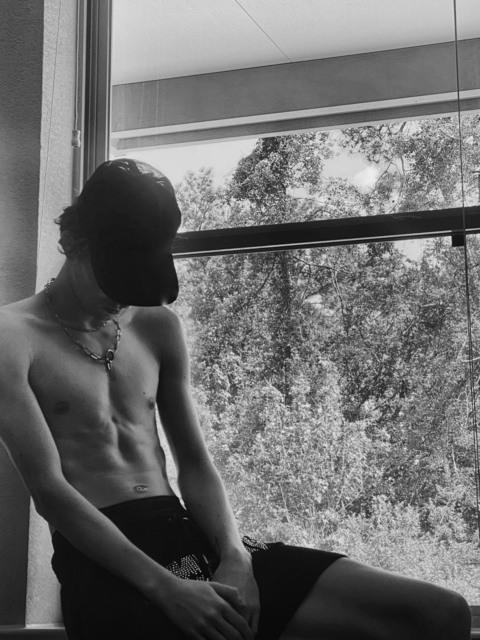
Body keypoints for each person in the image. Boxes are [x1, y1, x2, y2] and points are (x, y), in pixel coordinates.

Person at [0, 158, 471, 640]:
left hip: (188, 533)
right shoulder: (13, 335)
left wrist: (235, 555)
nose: (125, 298)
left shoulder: (155, 326)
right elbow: (51, 493)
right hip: (103, 558)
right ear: (74, 242)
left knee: (440, 613)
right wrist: (166, 588)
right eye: (118, 278)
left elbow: (195, 463)